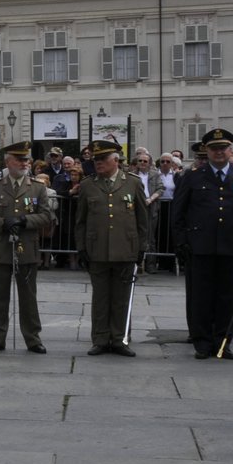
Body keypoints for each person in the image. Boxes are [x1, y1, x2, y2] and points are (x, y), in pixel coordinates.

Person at [171, 128, 233, 360]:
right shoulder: (192, 177)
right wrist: (181, 242)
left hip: (231, 246)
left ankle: (223, 341)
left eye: (223, 148)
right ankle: (201, 341)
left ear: (230, 150)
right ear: (207, 151)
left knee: (228, 297)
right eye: (214, 148)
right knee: (200, 296)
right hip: (200, 246)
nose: (219, 152)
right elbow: (178, 213)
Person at [0, 142, 56, 353]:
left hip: (27, 248)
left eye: (26, 159)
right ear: (8, 161)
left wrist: (24, 221)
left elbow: (46, 216)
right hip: (2, 247)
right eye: (20, 159)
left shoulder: (37, 187)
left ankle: (33, 338)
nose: (25, 163)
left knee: (28, 297)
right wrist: (3, 223)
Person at [75, 140, 150, 357]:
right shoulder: (88, 185)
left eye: (103, 159)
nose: (98, 163)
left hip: (126, 248)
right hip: (96, 248)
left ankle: (120, 339)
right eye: (96, 159)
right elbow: (81, 220)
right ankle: (100, 339)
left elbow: (142, 220)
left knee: (121, 297)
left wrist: (142, 247)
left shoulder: (132, 183)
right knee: (100, 298)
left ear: (115, 160)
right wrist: (81, 248)